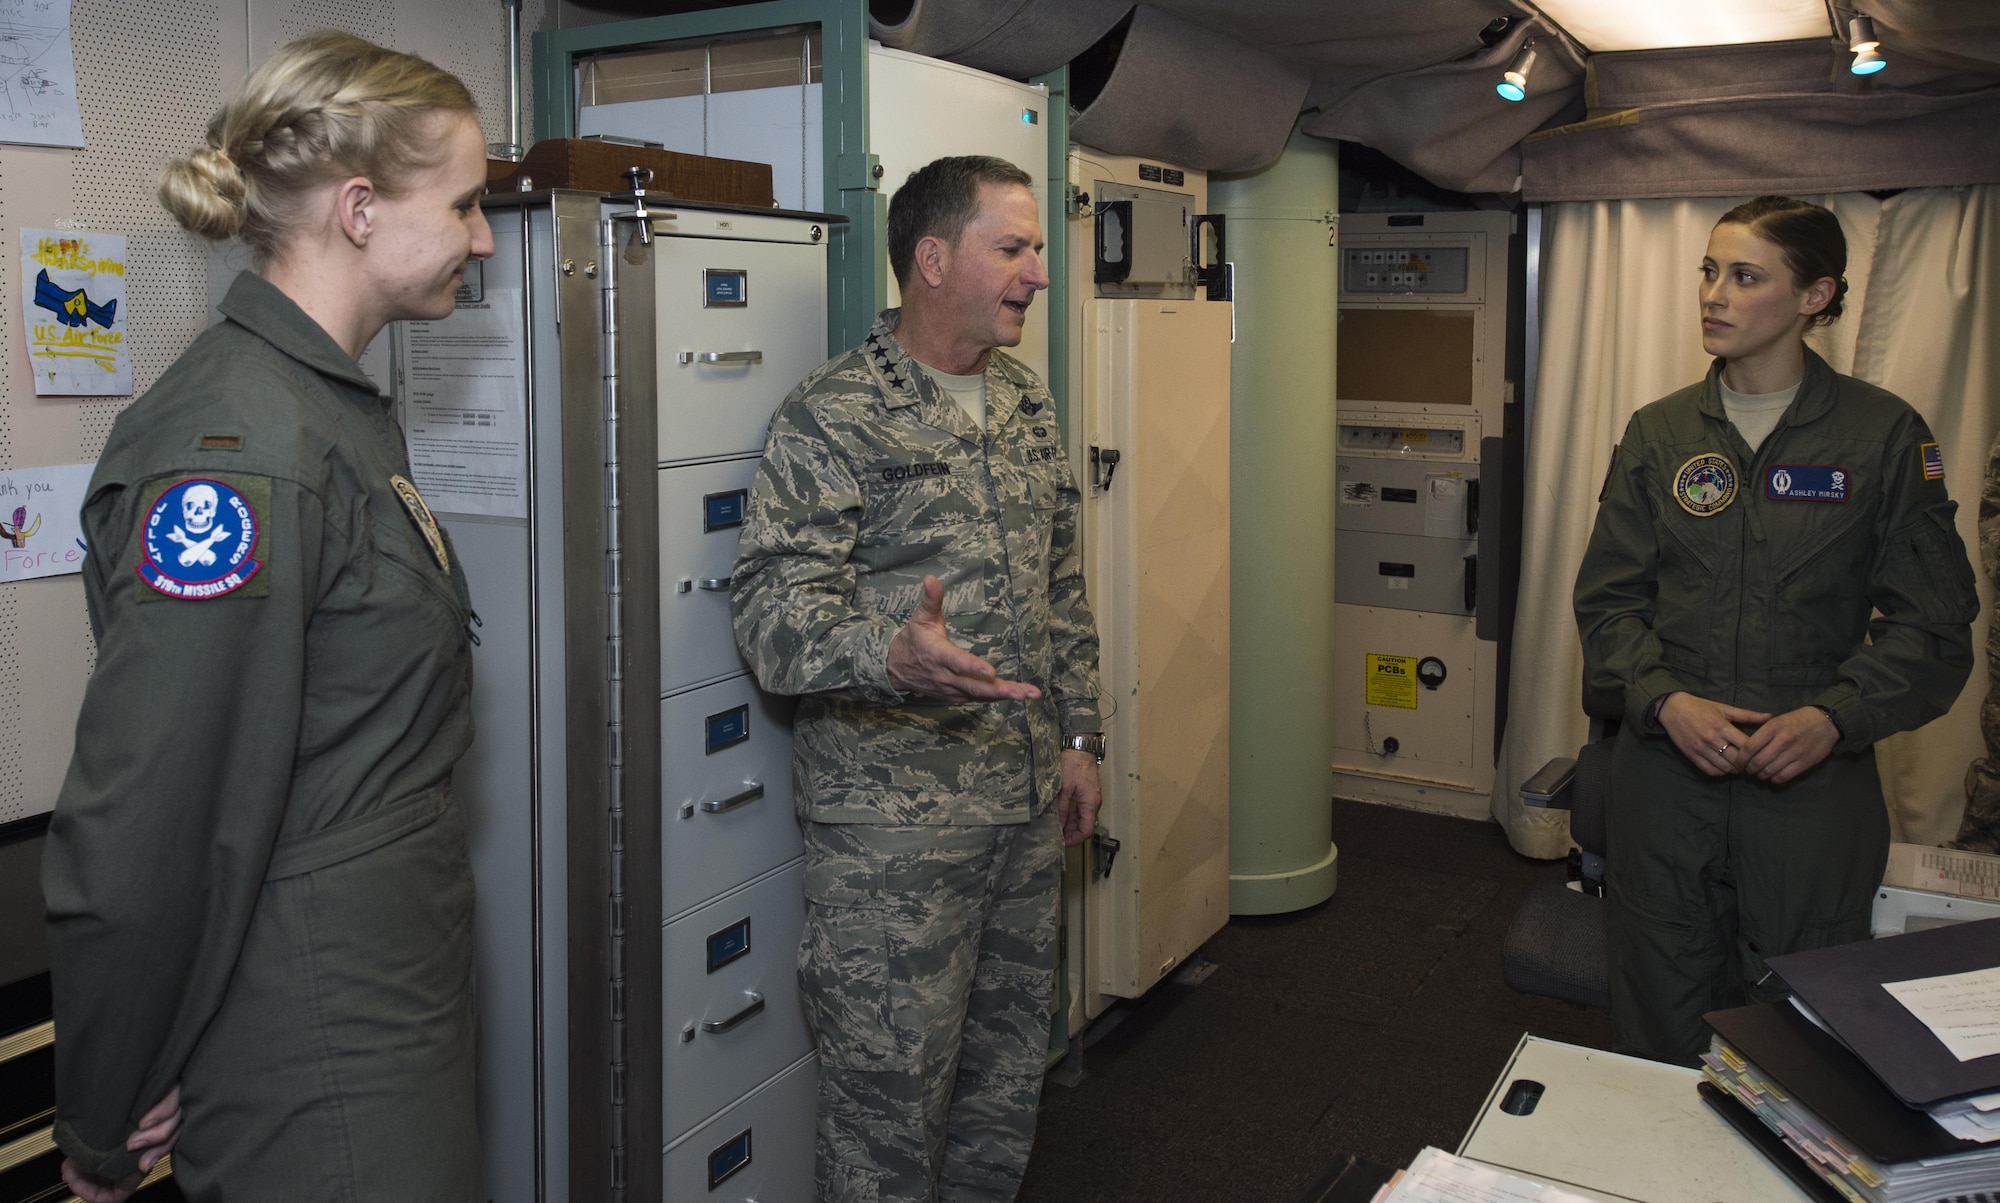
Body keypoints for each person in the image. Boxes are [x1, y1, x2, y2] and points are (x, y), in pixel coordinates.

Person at [42, 31, 493, 1202]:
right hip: (316, 1042)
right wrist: (104, 1105)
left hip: (381, 993)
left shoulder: (327, 414)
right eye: (465, 205)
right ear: (358, 209)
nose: (483, 239)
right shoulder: (238, 455)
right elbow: (152, 815)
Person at [731, 154, 1102, 1201]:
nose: (1037, 272)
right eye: (1014, 248)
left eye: (1037, 248)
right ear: (931, 259)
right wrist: (886, 655)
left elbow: (1060, 584)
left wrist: (1082, 741)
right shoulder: (835, 414)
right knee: (887, 1117)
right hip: (893, 845)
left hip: (1024, 812)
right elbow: (768, 617)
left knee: (995, 1097)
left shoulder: (1025, 403)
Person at [1574, 195, 1979, 1065]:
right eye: (1709, 272)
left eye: (1745, 276)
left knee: (1806, 1042)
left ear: (1814, 296)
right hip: (1666, 783)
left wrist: (1835, 716)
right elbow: (1607, 604)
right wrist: (1664, 699)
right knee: (1659, 1018)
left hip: (1809, 795)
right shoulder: (1662, 433)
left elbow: (1937, 626)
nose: (1714, 294)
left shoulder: (1880, 437)